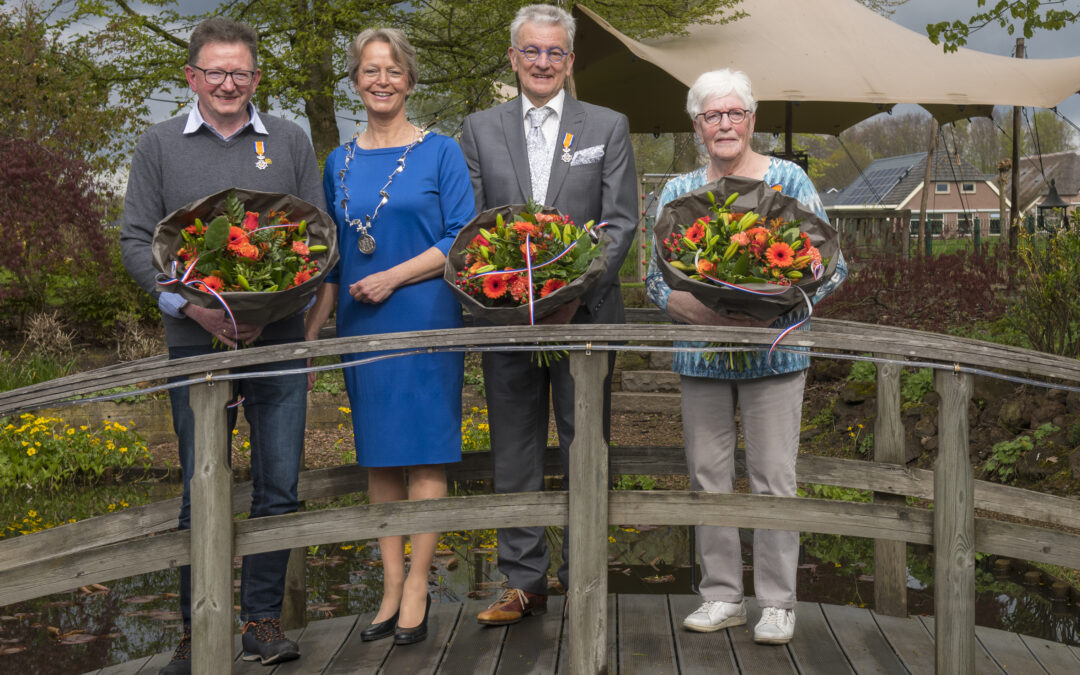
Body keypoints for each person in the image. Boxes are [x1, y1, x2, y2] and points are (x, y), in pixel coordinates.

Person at [120, 17, 322, 674]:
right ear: (192, 77)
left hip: (279, 340)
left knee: (279, 483)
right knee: (201, 486)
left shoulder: (289, 141)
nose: (228, 83)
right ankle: (195, 626)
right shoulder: (158, 147)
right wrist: (193, 309)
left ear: (256, 78)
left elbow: (317, 242)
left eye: (240, 72)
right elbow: (135, 243)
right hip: (196, 344)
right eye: (216, 71)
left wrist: (276, 309)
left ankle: (262, 622)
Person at [645, 69, 848, 645]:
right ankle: (721, 596)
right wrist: (700, 313)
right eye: (713, 115)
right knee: (707, 477)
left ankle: (778, 602)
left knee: (773, 478)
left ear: (752, 121)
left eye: (735, 114)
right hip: (703, 357)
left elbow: (831, 266)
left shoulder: (788, 179)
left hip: (775, 356)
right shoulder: (677, 191)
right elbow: (655, 280)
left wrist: (787, 298)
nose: (725, 125)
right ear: (697, 126)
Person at [459, 4, 637, 625]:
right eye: (531, 52)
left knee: (586, 445)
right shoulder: (479, 129)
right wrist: (512, 300)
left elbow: (619, 224)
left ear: (568, 59)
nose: (542, 62)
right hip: (506, 322)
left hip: (584, 321)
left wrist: (568, 297)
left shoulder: (607, 126)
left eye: (554, 52)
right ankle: (523, 582)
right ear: (513, 58)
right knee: (515, 450)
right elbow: (473, 228)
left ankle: (585, 574)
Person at [303, 28, 474, 646]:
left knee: (425, 451)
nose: (382, 80)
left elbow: (461, 237)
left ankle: (420, 585)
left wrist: (391, 278)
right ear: (354, 81)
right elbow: (332, 257)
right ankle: (390, 582)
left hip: (424, 315)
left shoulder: (440, 152)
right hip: (362, 325)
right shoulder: (336, 162)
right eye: (370, 70)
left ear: (410, 80)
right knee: (378, 454)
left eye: (393, 70)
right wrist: (314, 333)